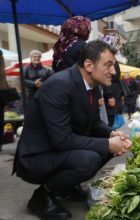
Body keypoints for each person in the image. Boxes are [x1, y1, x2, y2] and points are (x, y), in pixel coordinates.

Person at [13, 40, 131, 220]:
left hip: (56, 149)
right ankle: (42, 196)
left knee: (108, 147)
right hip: (35, 157)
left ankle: (67, 187)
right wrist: (107, 143)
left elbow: (93, 122)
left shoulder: (92, 84)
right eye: (108, 65)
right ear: (89, 65)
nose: (114, 72)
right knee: (90, 158)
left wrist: (111, 134)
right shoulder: (59, 85)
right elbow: (61, 140)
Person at [101, 33, 124, 127]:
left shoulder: (112, 57)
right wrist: (110, 96)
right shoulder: (106, 58)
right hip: (110, 95)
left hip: (114, 93)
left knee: (112, 120)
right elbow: (105, 78)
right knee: (109, 120)